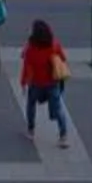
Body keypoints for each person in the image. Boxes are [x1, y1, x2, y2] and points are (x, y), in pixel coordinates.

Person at [18, 20, 73, 148]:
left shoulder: (30, 49)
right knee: (58, 109)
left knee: (31, 105)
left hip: (36, 83)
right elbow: (63, 58)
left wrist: (23, 82)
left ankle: (31, 130)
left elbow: (26, 67)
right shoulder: (54, 45)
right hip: (52, 82)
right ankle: (63, 136)